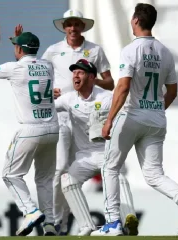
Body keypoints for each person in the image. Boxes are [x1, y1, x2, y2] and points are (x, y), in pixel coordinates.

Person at [95, 3, 178, 236]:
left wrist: (109, 120)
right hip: (156, 119)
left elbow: (122, 87)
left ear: (135, 20)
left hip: (131, 116)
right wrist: (154, 110)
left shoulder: (130, 50)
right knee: (154, 174)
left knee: (110, 167)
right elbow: (172, 92)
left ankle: (113, 222)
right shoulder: (165, 52)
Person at [0, 26, 59, 236]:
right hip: (52, 129)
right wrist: (22, 38)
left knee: (10, 174)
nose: (14, 48)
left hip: (30, 129)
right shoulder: (48, 66)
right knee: (44, 179)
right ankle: (49, 223)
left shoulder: (15, 68)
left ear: (20, 50)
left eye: (15, 45)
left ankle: (30, 211)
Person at [41, 9, 115, 235]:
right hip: (62, 116)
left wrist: (90, 81)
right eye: (69, 25)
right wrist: (48, 89)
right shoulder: (53, 51)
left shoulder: (95, 50)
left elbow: (110, 83)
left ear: (83, 26)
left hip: (87, 117)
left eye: (76, 24)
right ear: (64, 27)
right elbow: (39, 77)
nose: (73, 28)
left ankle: (71, 223)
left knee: (86, 170)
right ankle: (56, 223)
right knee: (61, 168)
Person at [55, 59, 137, 236]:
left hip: (106, 152)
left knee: (117, 176)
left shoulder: (106, 98)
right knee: (67, 180)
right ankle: (87, 226)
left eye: (81, 72)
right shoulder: (68, 99)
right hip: (84, 156)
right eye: (74, 72)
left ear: (92, 77)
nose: (75, 75)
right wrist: (48, 96)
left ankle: (129, 218)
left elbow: (125, 114)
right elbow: (47, 108)